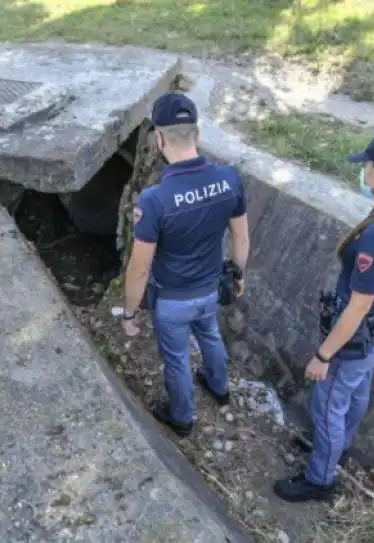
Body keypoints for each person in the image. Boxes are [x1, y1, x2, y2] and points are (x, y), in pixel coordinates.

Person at [273, 130, 374, 502]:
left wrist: (323, 355)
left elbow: (357, 306)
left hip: (359, 328)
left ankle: (319, 479)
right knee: (356, 388)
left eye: (366, 165)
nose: (361, 171)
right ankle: (337, 447)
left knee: (327, 401)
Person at [121, 91, 251, 438]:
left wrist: (131, 314)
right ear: (198, 133)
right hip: (210, 288)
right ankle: (219, 388)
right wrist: (237, 275)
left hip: (172, 301)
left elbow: (139, 268)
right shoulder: (229, 179)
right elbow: (241, 238)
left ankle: (182, 418)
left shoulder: (154, 200)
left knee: (177, 359)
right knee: (211, 334)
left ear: (159, 138)